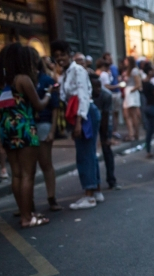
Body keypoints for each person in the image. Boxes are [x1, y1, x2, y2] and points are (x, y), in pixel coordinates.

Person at [0, 43, 54, 226]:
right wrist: (49, 95)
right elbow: (38, 105)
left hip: (6, 128)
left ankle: (24, 213)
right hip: (24, 127)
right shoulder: (23, 79)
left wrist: (0, 136)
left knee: (17, 174)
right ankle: (27, 218)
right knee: (28, 173)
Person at [51, 40, 103, 209]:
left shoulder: (77, 70)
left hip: (84, 114)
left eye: (63, 55)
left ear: (69, 54)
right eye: (57, 56)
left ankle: (89, 196)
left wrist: (79, 123)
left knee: (85, 154)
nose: (60, 58)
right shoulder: (65, 73)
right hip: (81, 114)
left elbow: (81, 96)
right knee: (89, 153)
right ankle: (95, 191)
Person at [32, 47, 62, 211]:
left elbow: (55, 106)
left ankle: (51, 198)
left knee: (45, 163)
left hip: (43, 123)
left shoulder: (46, 80)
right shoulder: (23, 79)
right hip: (29, 125)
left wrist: (52, 130)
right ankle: (27, 203)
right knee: (29, 167)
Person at [91, 75, 118, 190]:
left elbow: (106, 116)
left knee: (107, 150)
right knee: (91, 152)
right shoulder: (86, 94)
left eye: (99, 86)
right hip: (91, 122)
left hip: (103, 122)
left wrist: (107, 136)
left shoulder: (106, 95)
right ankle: (94, 182)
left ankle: (111, 179)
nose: (97, 89)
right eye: (94, 87)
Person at [122, 56, 142, 141]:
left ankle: (134, 133)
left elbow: (138, 84)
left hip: (131, 92)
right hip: (128, 92)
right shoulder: (128, 71)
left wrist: (131, 90)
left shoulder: (134, 71)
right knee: (126, 114)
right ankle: (132, 133)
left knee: (133, 114)